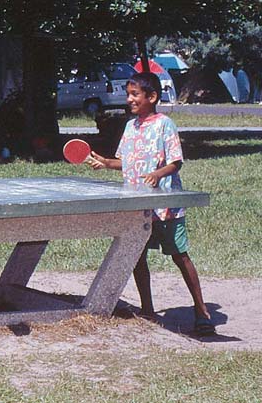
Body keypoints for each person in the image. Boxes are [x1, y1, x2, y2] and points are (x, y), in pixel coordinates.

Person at [89, 72, 216, 336]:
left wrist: (158, 174)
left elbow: (176, 161)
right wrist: (105, 162)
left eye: (135, 94)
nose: (129, 99)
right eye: (128, 94)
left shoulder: (164, 124)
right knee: (137, 256)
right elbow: (125, 162)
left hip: (165, 206)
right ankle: (147, 309)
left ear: (152, 97)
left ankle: (201, 310)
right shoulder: (130, 127)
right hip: (137, 206)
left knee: (180, 256)